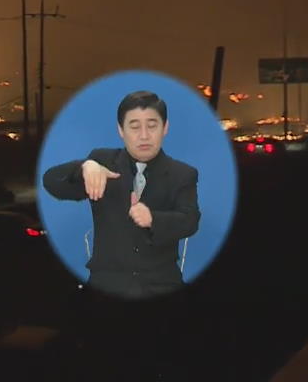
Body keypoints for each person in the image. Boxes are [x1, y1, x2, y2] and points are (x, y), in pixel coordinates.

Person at [41, 90, 200, 300]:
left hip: (162, 286)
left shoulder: (183, 174)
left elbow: (190, 221)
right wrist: (83, 167)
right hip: (106, 286)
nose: (144, 135)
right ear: (121, 130)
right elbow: (52, 182)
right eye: (134, 127)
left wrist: (153, 219)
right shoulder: (102, 162)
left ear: (165, 128)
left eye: (152, 125)